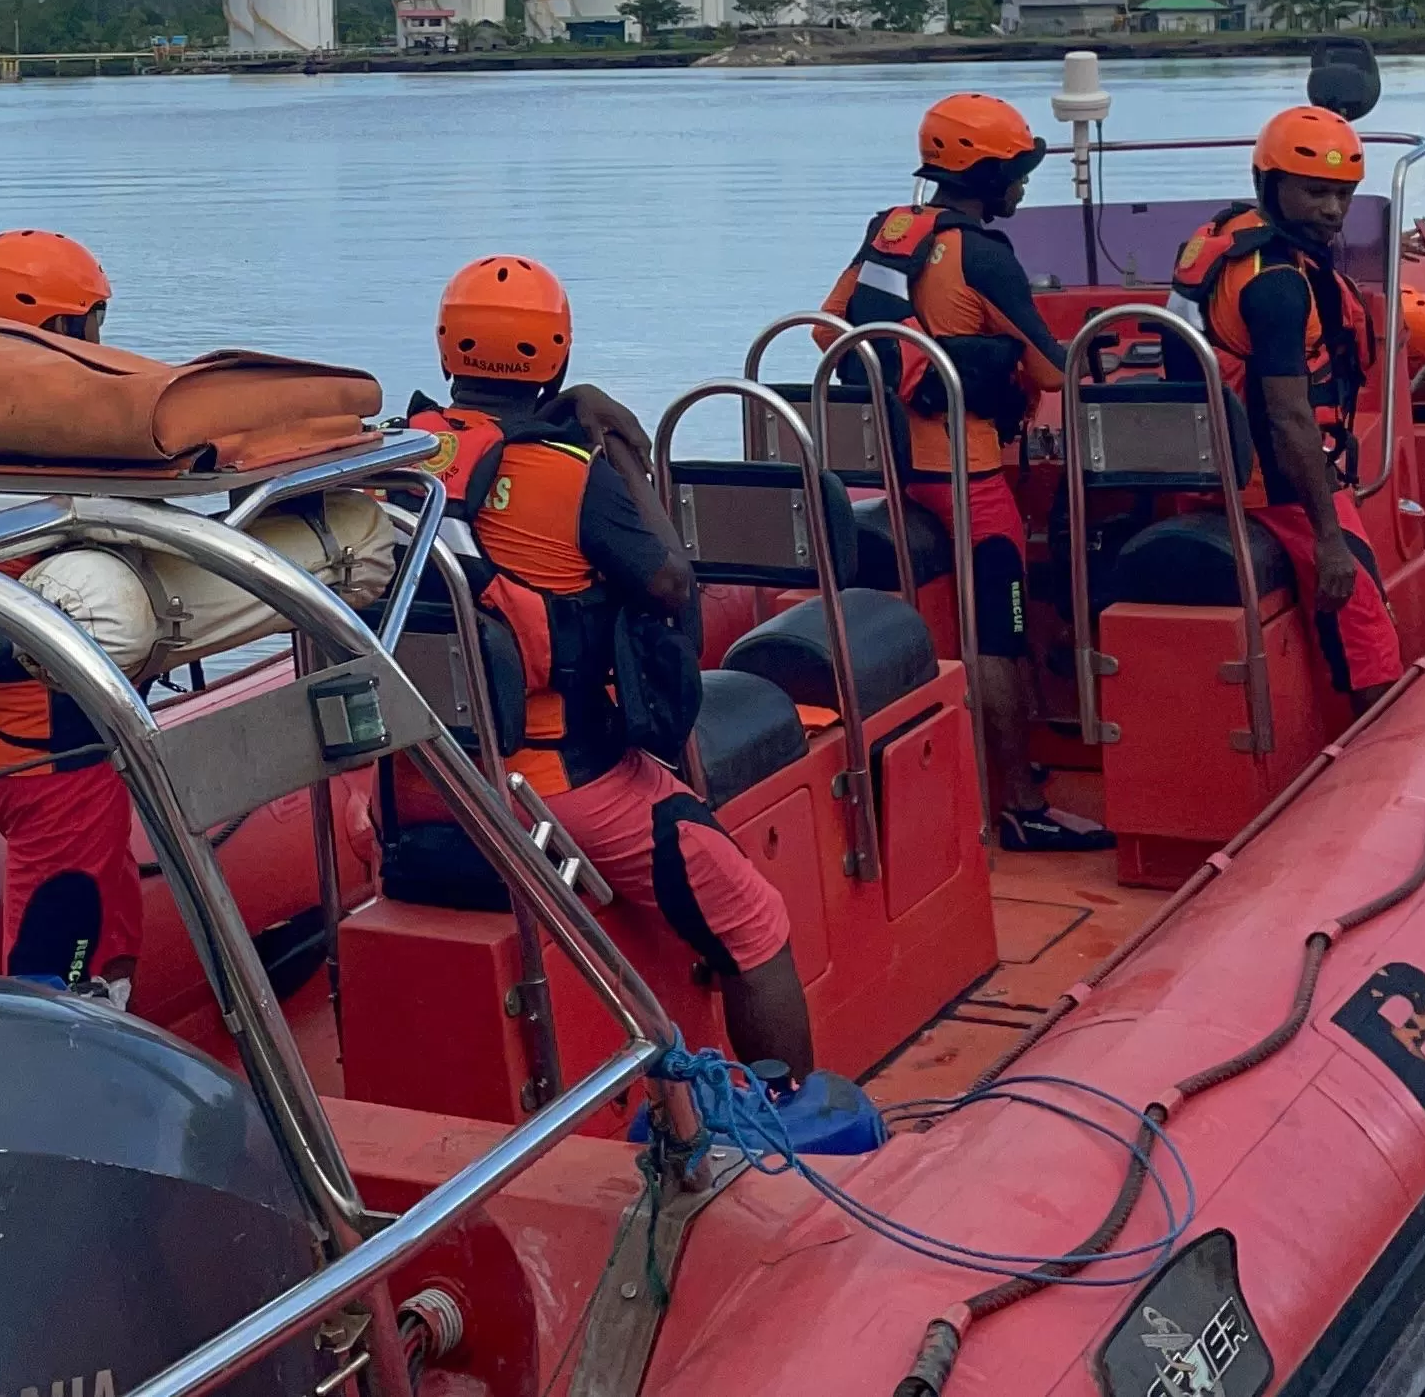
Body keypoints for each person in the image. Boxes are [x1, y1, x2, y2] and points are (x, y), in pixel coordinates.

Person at [408, 255, 820, 1080]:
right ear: (557, 353)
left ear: (448, 345)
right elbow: (670, 583)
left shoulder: (395, 458)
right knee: (754, 922)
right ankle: (791, 1117)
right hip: (556, 783)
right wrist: (619, 451)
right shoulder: (573, 474)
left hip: (427, 776)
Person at [820, 92, 1106, 853]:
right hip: (968, 477)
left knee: (986, 626)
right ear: (986, 175)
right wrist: (988, 359)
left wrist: (923, 357)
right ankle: (1021, 807)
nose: (1023, 185)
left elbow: (830, 326)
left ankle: (994, 776)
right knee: (1000, 635)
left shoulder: (889, 234)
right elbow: (1049, 370)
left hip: (896, 466)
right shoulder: (985, 255)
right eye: (1016, 171)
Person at [0, 229, 138, 1001]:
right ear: (58, 325)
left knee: (93, 896)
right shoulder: (51, 437)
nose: (99, 337)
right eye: (93, 320)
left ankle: (107, 1011)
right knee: (64, 921)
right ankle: (54, 1039)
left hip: (3, 727)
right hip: (48, 734)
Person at [1171, 107, 1403, 715]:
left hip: (1207, 468)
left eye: (1343, 194)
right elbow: (1289, 417)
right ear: (1269, 184)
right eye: (1315, 193)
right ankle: (1386, 744)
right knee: (1368, 629)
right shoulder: (1277, 283)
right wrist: (1328, 537)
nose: (1332, 210)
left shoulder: (1229, 240)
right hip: (1272, 486)